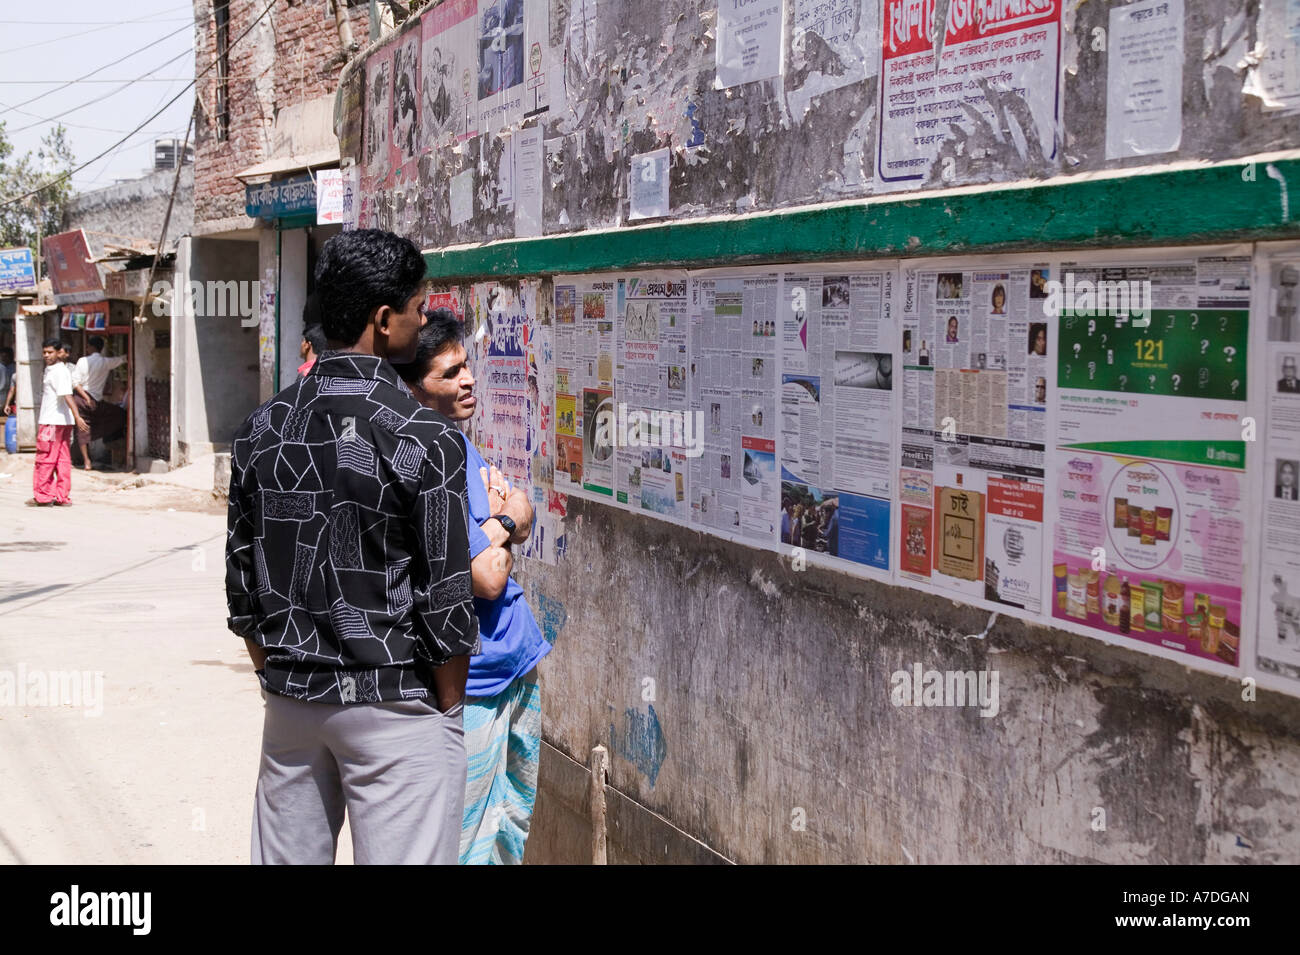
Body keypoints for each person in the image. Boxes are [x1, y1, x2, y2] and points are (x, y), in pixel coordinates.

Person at [226, 230, 478, 865]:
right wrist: (446, 712)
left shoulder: (261, 431)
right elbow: (446, 604)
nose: (423, 322)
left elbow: (242, 590)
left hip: (291, 705)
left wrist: (280, 681)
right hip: (396, 705)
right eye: (418, 310)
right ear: (383, 319)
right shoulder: (426, 437)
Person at [394, 310, 550, 865]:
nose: (467, 381)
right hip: (472, 677)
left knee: (513, 819)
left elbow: (525, 518)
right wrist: (507, 519)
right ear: (413, 390)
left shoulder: (461, 446)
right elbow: (487, 577)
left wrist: (506, 521)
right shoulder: (423, 459)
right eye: (450, 373)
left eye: (467, 366)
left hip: (518, 657)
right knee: (467, 836)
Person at [31, 338, 86, 506]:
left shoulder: (58, 371)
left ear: (58, 352)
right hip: (61, 422)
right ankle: (62, 496)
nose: (47, 356)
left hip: (52, 422)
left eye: (50, 352)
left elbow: (67, 395)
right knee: (62, 459)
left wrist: (77, 416)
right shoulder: (53, 370)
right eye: (45, 353)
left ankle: (44, 495)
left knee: (45, 458)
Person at [70, 335, 128, 471]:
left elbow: (75, 383)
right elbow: (123, 359)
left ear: (90, 347)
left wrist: (85, 397)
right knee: (120, 415)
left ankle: (87, 461)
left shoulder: (83, 361)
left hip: (81, 399)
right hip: (95, 401)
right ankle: (94, 440)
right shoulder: (105, 362)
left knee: (82, 429)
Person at [298, 314, 327, 379]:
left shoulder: (305, 374)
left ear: (307, 345)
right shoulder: (326, 370)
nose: (301, 344)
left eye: (303, 340)